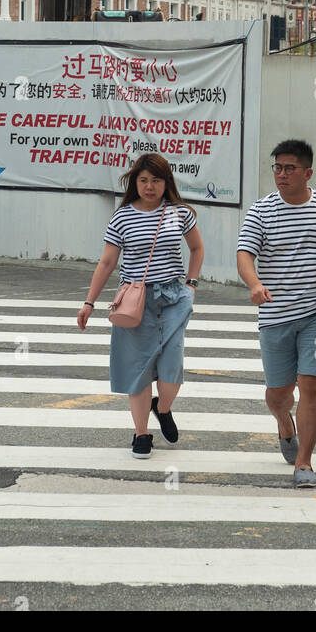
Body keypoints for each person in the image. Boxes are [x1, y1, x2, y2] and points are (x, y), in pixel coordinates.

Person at [236, 139, 316, 488]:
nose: (282, 174)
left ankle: (304, 461)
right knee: (279, 393)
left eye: (290, 168)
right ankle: (283, 421)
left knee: (310, 384)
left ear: (308, 173)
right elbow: (244, 253)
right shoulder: (261, 211)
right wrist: (255, 284)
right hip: (275, 315)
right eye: (277, 167)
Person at [77, 152, 205, 458]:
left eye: (156, 180)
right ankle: (141, 433)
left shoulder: (179, 213)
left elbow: (197, 248)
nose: (150, 186)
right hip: (135, 302)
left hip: (174, 299)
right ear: (135, 182)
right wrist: (89, 303)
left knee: (171, 370)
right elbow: (108, 261)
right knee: (139, 369)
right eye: (144, 180)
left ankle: (162, 408)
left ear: (166, 183)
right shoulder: (122, 217)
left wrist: (191, 285)